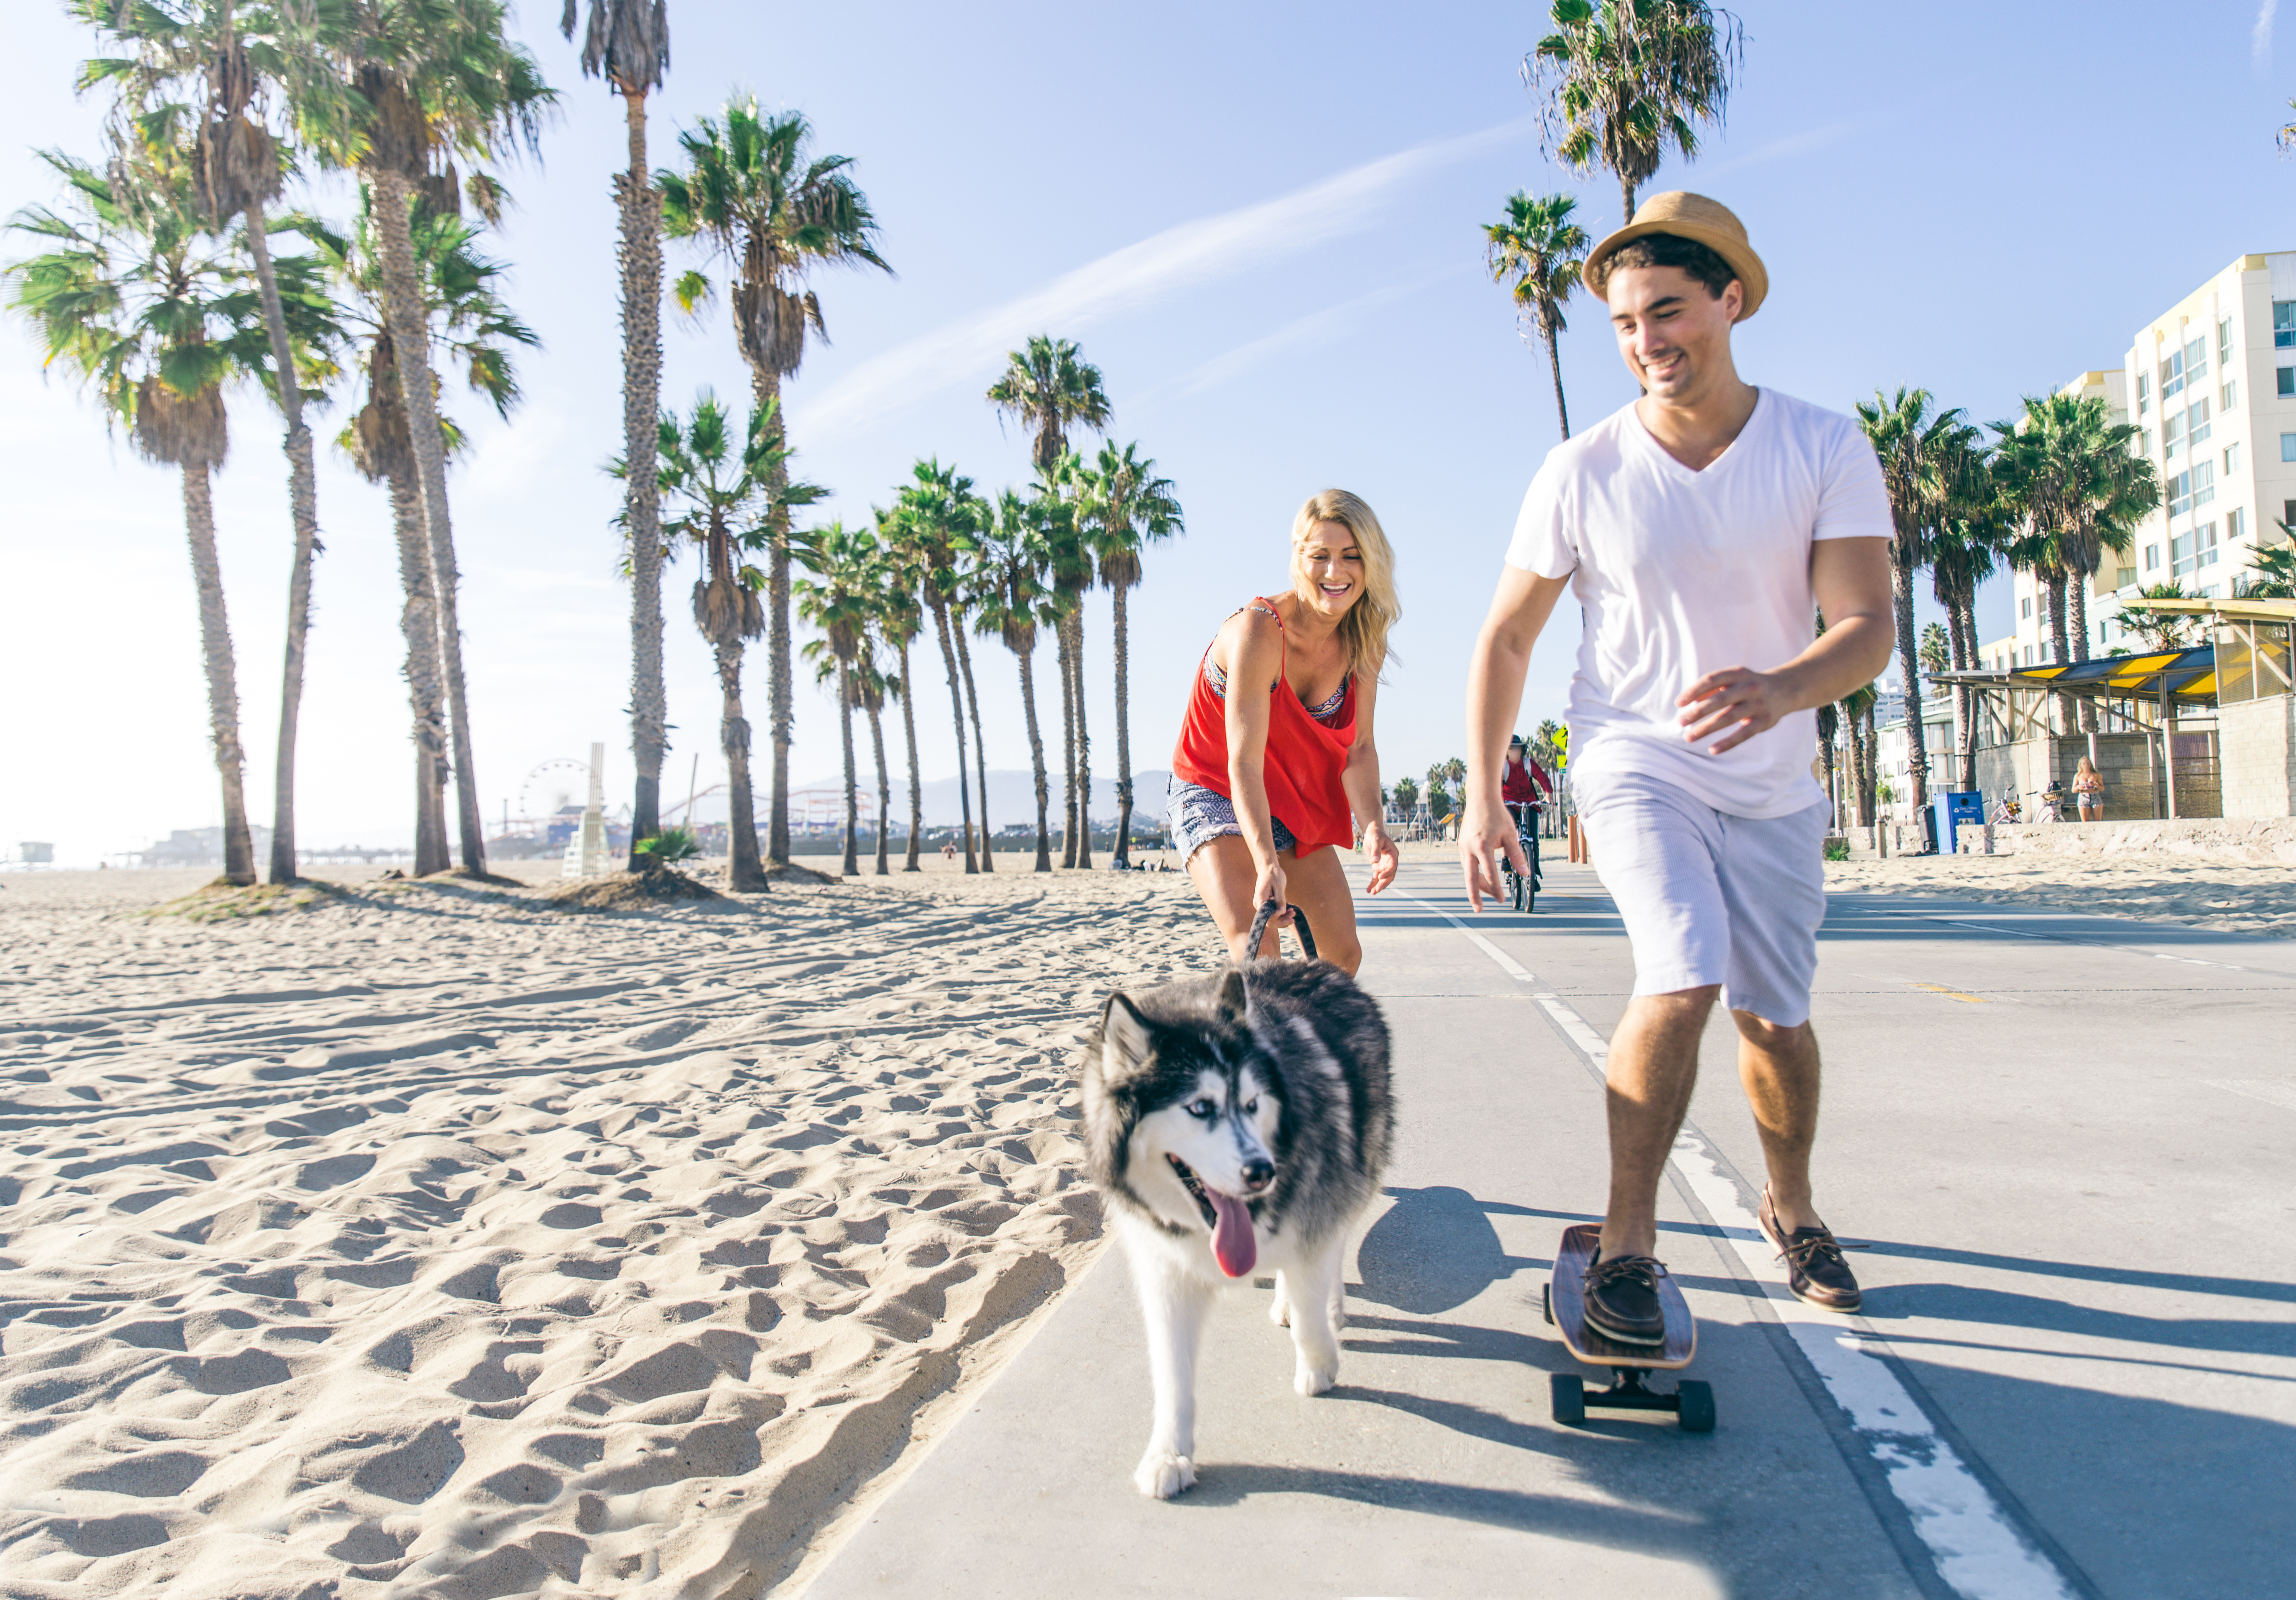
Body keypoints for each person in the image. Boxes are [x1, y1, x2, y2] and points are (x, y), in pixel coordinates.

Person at [1457, 192, 1896, 1342]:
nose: (1646, 340)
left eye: (1668, 311)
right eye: (1622, 323)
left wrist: (1782, 689)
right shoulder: (1581, 469)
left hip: (1773, 779)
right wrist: (1478, 797)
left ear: (1731, 301)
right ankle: (1626, 1248)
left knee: (1775, 1020)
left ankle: (1789, 1206)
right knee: (1683, 967)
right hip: (1631, 752)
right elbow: (1507, 637)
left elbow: (1865, 621)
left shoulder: (1821, 443)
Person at [1166, 490, 1402, 974]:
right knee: (1261, 949)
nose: (1335, 572)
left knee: (1342, 956)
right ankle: (1266, 1045)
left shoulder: (1364, 638)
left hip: (1290, 799)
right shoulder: (1259, 630)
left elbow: (1359, 748)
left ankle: (1310, 1049)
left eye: (1351, 557)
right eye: (1320, 556)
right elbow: (1243, 761)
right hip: (1214, 787)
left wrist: (1374, 824)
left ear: (1372, 563)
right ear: (1299, 556)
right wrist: (1267, 862)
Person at [2073, 756, 2104, 822]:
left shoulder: (2096, 775)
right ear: (2081, 765)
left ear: (2091, 765)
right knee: (2085, 822)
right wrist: (2078, 787)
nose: (2086, 765)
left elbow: (2102, 789)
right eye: (2084, 764)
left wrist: (2096, 785)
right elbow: (2073, 790)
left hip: (2095, 796)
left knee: (2098, 821)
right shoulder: (2078, 776)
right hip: (2083, 797)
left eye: (2088, 763)